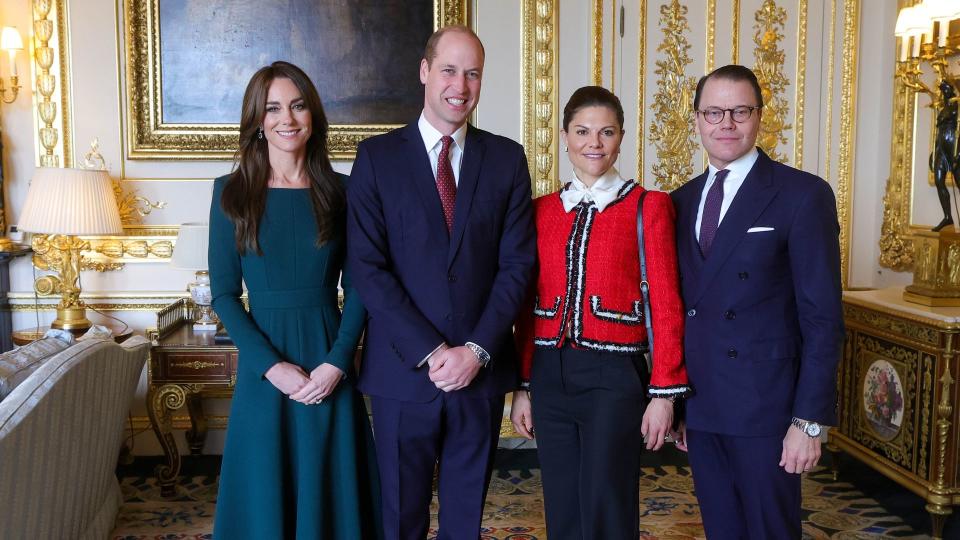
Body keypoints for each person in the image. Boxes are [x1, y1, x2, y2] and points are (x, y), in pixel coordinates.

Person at [346, 26, 536, 539]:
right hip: (403, 374)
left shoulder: (506, 159)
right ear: (425, 72)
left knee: (464, 517)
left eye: (473, 73)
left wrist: (475, 350)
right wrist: (432, 351)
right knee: (400, 517)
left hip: (479, 373)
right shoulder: (376, 159)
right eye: (450, 70)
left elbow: (517, 267)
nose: (461, 84)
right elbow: (367, 267)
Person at [669, 64, 844, 539]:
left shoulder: (802, 195)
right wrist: (679, 405)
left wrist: (808, 422)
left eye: (739, 111)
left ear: (760, 117)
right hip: (704, 406)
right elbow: (682, 312)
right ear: (698, 120)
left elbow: (823, 318)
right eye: (713, 112)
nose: (726, 123)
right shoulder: (680, 201)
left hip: (768, 409)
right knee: (721, 529)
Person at [509, 86, 692, 540]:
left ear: (621, 138)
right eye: (583, 131)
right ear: (565, 137)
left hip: (615, 377)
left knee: (607, 500)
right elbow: (527, 310)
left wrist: (664, 394)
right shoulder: (541, 211)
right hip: (551, 374)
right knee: (562, 500)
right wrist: (524, 387)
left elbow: (667, 303)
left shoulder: (648, 207)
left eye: (606, 132)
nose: (594, 142)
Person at [209, 61, 382, 540]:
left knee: (333, 496)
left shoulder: (343, 192)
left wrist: (337, 364)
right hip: (266, 371)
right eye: (273, 108)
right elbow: (223, 294)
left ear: (313, 115)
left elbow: (363, 286)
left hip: (330, 359)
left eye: (298, 105)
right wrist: (272, 367)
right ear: (258, 122)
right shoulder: (230, 193)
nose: (287, 118)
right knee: (266, 495)